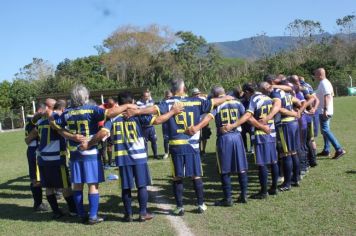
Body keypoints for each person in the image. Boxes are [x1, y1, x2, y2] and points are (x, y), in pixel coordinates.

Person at [126, 78, 234, 216]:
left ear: (172, 90)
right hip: (192, 145)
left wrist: (137, 112)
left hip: (176, 145)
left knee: (177, 177)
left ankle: (180, 207)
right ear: (184, 89)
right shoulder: (196, 101)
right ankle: (201, 204)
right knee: (196, 175)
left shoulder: (169, 102)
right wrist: (228, 97)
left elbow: (153, 109)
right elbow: (214, 101)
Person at [80, 91, 183, 222]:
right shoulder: (138, 114)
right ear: (132, 102)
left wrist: (89, 143)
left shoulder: (113, 117)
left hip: (122, 157)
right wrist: (173, 111)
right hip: (139, 155)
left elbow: (102, 133)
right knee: (141, 185)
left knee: (126, 187)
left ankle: (128, 214)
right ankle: (142, 213)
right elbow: (158, 120)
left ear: (119, 103)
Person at [50, 84, 136, 224]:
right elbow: (110, 113)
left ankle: (80, 214)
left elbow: (55, 125)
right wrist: (126, 106)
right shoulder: (91, 109)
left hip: (75, 153)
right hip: (90, 152)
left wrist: (71, 137)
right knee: (93, 185)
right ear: (86, 97)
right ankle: (93, 216)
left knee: (77, 185)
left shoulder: (67, 113)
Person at [186, 86, 249, 206]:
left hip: (224, 137)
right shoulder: (237, 102)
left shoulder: (217, 104)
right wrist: (235, 125)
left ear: (214, 95)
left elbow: (208, 118)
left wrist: (197, 127)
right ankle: (244, 194)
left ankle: (228, 198)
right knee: (241, 167)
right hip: (237, 136)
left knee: (224, 169)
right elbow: (246, 116)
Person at [25, 99, 79, 219]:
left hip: (42, 159)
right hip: (56, 158)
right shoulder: (57, 120)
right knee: (66, 186)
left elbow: (30, 134)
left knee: (49, 187)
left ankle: (56, 212)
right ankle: (73, 210)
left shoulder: (40, 122)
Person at [261, 79, 302, 191]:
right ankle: (296, 178)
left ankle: (287, 183)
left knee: (286, 154)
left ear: (266, 89)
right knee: (293, 152)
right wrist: (298, 112)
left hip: (285, 125)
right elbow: (298, 101)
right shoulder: (283, 92)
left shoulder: (274, 93)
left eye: (263, 91)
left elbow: (279, 108)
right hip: (293, 123)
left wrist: (268, 117)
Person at [314, 68, 346, 159]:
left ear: (320, 74)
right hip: (325, 110)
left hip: (325, 111)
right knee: (325, 131)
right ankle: (326, 150)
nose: (314, 76)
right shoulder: (325, 82)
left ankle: (339, 149)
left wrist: (325, 109)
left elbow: (327, 96)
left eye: (315, 74)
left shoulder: (324, 83)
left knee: (325, 130)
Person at [24, 103, 48, 212]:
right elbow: (29, 139)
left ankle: (38, 203)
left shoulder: (31, 121)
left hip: (32, 150)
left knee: (37, 177)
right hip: (35, 151)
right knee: (36, 178)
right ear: (40, 110)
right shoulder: (36, 121)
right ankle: (38, 204)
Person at [136, 90, 159, 159]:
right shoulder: (138, 103)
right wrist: (147, 110)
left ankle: (155, 155)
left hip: (151, 126)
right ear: (142, 96)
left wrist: (146, 110)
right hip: (143, 127)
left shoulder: (151, 101)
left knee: (154, 140)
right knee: (144, 142)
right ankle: (146, 156)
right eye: (146, 96)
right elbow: (140, 112)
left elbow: (152, 109)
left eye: (148, 96)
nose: (147, 98)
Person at [191, 88, 212, 157]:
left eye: (198, 94)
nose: (197, 95)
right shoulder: (191, 101)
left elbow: (211, 98)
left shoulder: (204, 99)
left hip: (204, 120)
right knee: (197, 137)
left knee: (205, 137)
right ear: (192, 95)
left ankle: (203, 150)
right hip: (196, 121)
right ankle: (199, 150)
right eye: (195, 94)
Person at [161, 90, 173, 159]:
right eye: (167, 96)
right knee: (166, 138)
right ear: (165, 96)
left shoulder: (175, 102)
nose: (169, 98)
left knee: (173, 138)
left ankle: (172, 152)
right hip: (165, 122)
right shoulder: (163, 103)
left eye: (170, 96)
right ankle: (166, 153)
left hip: (173, 122)